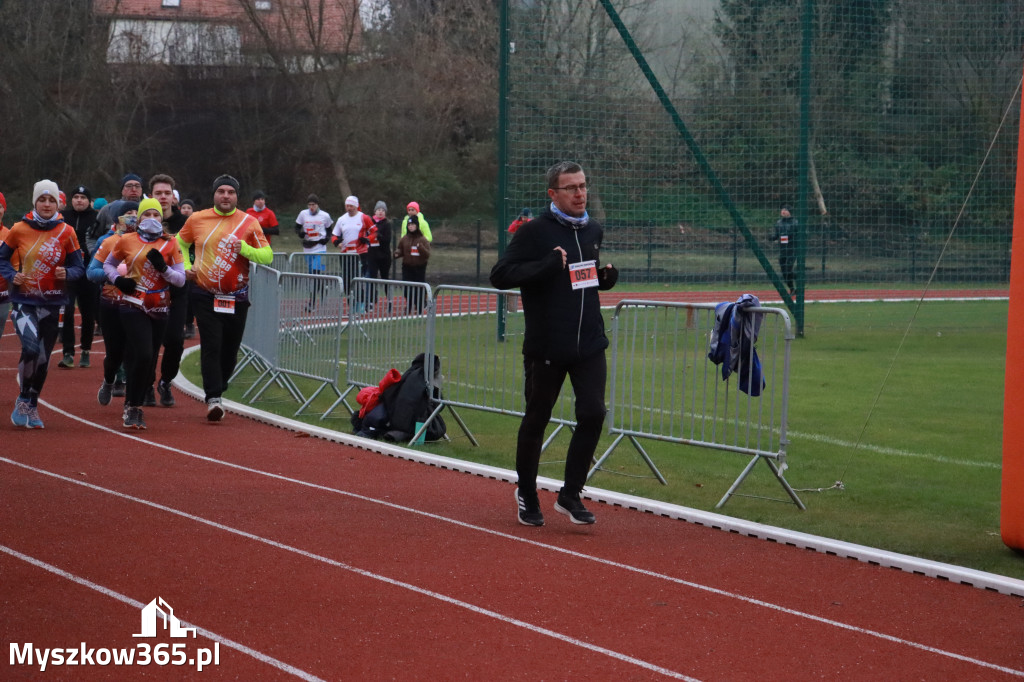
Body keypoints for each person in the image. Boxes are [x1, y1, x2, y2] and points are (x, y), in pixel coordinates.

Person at [489, 161, 618, 527]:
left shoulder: (593, 228)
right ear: (553, 194)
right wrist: (543, 266)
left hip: (589, 343)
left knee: (593, 413)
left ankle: (570, 494)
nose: (580, 193)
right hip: (547, 346)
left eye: (583, 186)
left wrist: (603, 279)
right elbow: (500, 275)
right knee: (537, 418)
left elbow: (582, 278)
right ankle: (527, 495)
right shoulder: (534, 233)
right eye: (571, 188)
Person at [176, 174, 272, 421]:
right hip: (204, 293)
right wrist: (188, 266)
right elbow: (180, 243)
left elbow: (267, 256)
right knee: (212, 343)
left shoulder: (249, 223)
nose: (226, 195)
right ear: (214, 194)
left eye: (230, 192)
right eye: (221, 191)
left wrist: (244, 249)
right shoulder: (197, 219)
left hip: (236, 296)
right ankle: (214, 399)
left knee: (230, 351)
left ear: (237, 196)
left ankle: (218, 385)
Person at [0, 180, 86, 428]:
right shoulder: (19, 229)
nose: (47, 204)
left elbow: (79, 267)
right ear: (35, 202)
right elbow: (2, 258)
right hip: (24, 301)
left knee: (43, 359)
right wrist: (10, 274)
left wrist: (67, 274)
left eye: (51, 200)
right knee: (30, 349)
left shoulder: (66, 232)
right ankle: (24, 399)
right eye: (42, 200)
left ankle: (31, 402)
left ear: (58, 203)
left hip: (53, 303)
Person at [103, 197, 186, 429]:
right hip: (132, 304)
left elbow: (180, 280)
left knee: (149, 361)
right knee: (144, 354)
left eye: (156, 215)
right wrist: (119, 279)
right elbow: (107, 265)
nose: (151, 219)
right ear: (138, 218)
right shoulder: (126, 240)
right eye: (146, 215)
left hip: (160, 307)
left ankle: (135, 405)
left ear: (162, 218)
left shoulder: (170, 243)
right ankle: (131, 406)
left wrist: (164, 269)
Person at [89, 200, 138, 407]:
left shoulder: (148, 242)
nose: (133, 216)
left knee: (136, 351)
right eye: (128, 213)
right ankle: (110, 379)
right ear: (118, 217)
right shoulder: (107, 241)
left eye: (137, 212)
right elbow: (92, 272)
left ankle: (132, 400)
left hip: (138, 305)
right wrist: (114, 275)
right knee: (114, 353)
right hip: (111, 304)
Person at [147, 174, 189, 408]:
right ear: (150, 196)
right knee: (149, 343)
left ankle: (166, 381)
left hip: (178, 290)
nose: (162, 198)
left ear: (173, 197)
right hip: (148, 290)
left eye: (166, 193)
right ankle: (145, 384)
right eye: (157, 193)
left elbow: (195, 251)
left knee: (175, 340)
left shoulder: (186, 223)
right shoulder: (142, 220)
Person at [58, 185, 99, 369]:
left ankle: (86, 350)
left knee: (88, 313)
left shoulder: (95, 217)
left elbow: (98, 242)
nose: (79, 200)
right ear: (71, 200)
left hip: (89, 272)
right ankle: (67, 352)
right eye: (76, 197)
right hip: (68, 271)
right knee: (67, 310)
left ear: (88, 200)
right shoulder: (63, 217)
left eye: (83, 197)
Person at [394, 214, 431, 314]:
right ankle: (409, 306)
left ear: (417, 226)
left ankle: (419, 307)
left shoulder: (423, 239)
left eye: (413, 224)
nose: (410, 226)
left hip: (419, 267)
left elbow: (427, 254)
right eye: (409, 225)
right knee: (407, 289)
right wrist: (396, 254)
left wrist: (421, 248)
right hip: (407, 267)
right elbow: (400, 250)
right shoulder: (404, 239)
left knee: (419, 289)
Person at [770, 204, 798, 296]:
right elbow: (776, 235)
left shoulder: (795, 222)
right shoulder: (779, 223)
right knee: (784, 272)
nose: (783, 211)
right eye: (782, 209)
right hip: (782, 250)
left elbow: (800, 235)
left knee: (788, 269)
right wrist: (771, 237)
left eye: (786, 210)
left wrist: (791, 238)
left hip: (792, 249)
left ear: (789, 212)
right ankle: (792, 289)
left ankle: (799, 278)